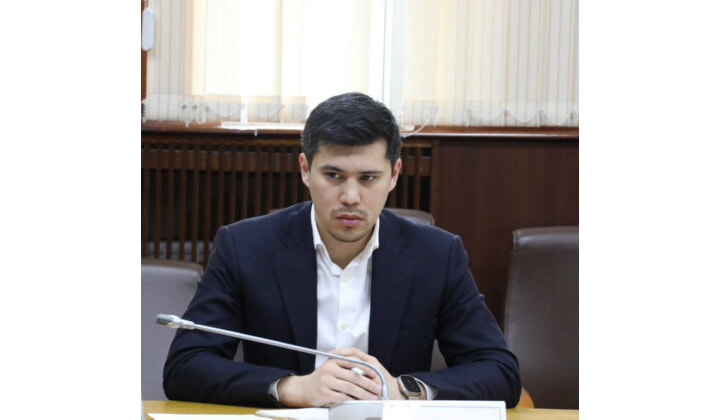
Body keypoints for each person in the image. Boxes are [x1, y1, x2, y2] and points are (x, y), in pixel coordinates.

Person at [163, 92, 521, 408]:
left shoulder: (437, 255)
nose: (350, 197)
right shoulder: (245, 247)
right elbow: (185, 366)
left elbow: (500, 373)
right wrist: (291, 387)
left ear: (394, 175)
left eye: (368, 178)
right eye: (333, 176)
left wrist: (403, 390)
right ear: (305, 169)